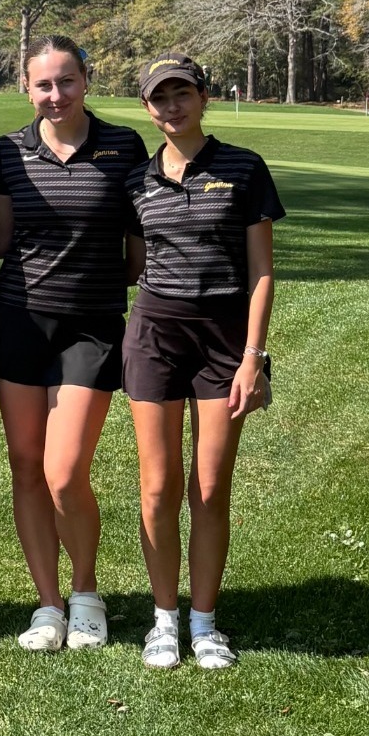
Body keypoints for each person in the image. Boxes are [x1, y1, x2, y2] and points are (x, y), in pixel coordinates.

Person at [0, 36, 148, 652]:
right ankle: (48, 604)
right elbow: (0, 239)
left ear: (86, 79)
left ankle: (86, 594)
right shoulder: (10, 150)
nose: (56, 95)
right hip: (19, 321)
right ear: (26, 88)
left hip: (91, 326)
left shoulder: (123, 146)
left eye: (67, 81)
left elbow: (137, 250)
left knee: (64, 470)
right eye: (43, 84)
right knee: (26, 467)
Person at [124, 53, 282, 670]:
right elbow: (135, 264)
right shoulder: (136, 181)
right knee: (157, 487)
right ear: (147, 108)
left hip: (224, 340)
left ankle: (205, 622)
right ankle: (164, 619)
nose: (172, 106)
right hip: (155, 336)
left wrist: (253, 358)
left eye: (182, 93)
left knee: (211, 488)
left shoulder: (244, 167)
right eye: (160, 97)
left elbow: (262, 271)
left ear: (203, 97)